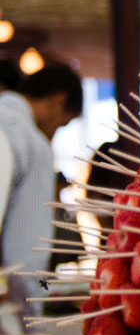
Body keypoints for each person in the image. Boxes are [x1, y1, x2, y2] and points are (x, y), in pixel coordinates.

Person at [0, 63, 83, 314]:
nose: (55, 133)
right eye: (62, 124)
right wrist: (31, 324)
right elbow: (25, 253)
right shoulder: (33, 144)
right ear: (59, 100)